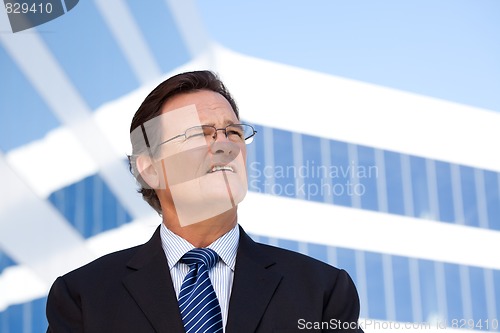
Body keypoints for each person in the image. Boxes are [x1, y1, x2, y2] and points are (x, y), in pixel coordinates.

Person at [46, 70, 364, 332]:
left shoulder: (321, 292)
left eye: (233, 133)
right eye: (200, 133)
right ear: (150, 169)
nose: (224, 145)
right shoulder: (84, 297)